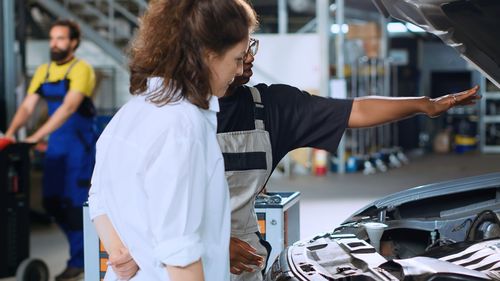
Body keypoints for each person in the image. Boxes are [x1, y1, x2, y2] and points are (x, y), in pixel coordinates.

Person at [98, 38, 480, 281]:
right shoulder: (169, 117)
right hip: (167, 262)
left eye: (250, 47)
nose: (247, 59)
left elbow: (355, 110)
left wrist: (425, 106)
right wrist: (208, 244)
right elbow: (114, 196)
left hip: (242, 261)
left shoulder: (273, 108)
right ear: (205, 52)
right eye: (237, 51)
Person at [87, 0, 258, 280]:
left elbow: (99, 197)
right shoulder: (182, 127)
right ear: (207, 55)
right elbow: (182, 259)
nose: (239, 71)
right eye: (237, 59)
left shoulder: (134, 110)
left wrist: (120, 255)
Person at [4, 19, 97, 281]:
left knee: (76, 206)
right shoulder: (44, 71)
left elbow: (68, 108)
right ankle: (79, 257)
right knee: (52, 202)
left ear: (73, 42)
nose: (54, 43)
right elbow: (27, 107)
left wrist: (35, 136)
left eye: (61, 38)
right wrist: (10, 135)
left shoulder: (82, 70)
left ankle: (80, 260)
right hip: (56, 148)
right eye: (52, 38)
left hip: (79, 148)